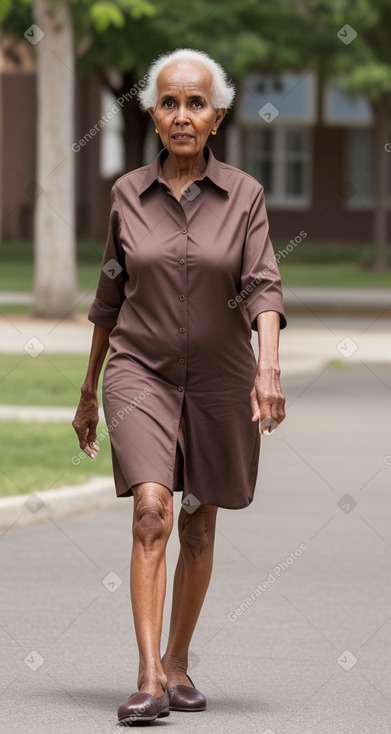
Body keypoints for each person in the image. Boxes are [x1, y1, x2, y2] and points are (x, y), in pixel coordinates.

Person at [72, 47, 287, 725]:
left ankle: (177, 661)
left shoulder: (245, 195)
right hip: (140, 370)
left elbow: (262, 287)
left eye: (195, 103)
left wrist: (268, 366)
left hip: (222, 378)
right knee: (153, 510)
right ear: (154, 114)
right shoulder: (126, 194)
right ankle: (147, 680)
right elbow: (110, 297)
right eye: (168, 102)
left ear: (216, 116)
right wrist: (86, 392)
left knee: (197, 521)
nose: (182, 115)